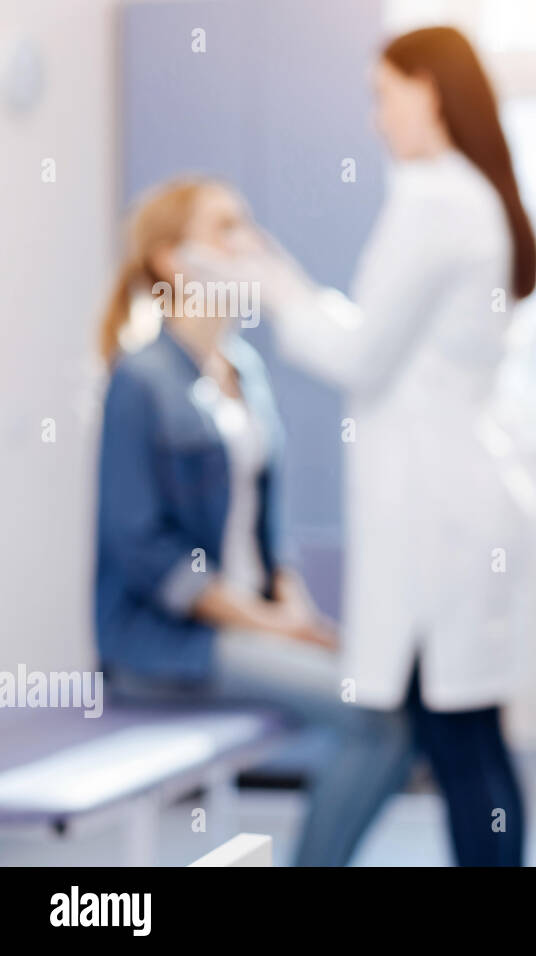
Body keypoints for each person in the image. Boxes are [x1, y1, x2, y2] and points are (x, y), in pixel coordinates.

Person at [183, 26, 536, 867]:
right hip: (463, 499)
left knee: (457, 738)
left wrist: (266, 281)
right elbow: (378, 338)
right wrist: (282, 274)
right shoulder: (467, 196)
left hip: (441, 513)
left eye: (384, 95)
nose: (376, 119)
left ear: (427, 90)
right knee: (468, 734)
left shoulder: (435, 200)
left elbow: (357, 356)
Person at [95, 178, 411, 866]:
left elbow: (268, 526)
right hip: (168, 644)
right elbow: (142, 551)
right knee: (377, 717)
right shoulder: (139, 381)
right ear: (171, 260)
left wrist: (289, 599)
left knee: (394, 693)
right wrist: (270, 625)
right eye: (226, 229)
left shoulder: (246, 370)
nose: (250, 245)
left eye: (248, 225)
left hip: (250, 622)